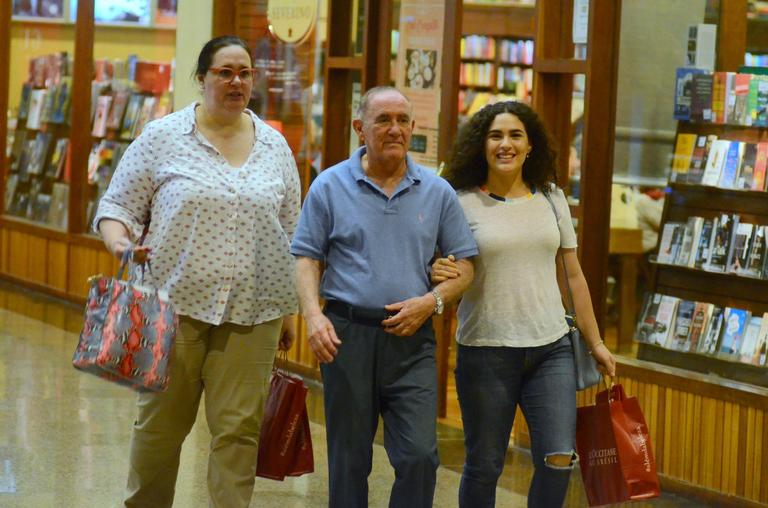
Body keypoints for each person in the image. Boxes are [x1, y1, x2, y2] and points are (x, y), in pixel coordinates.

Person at [93, 35, 301, 508]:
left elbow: (291, 229)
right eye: (225, 72)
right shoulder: (163, 137)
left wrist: (290, 310)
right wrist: (121, 242)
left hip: (255, 311)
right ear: (202, 78)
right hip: (172, 308)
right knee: (160, 430)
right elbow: (117, 206)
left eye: (245, 73)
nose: (236, 82)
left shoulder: (275, 145)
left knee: (238, 433)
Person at [291, 86, 479, 507]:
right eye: (383, 120)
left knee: (419, 457)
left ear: (413, 127)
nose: (394, 129)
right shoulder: (329, 187)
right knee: (349, 460)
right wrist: (313, 316)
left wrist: (431, 301)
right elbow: (306, 257)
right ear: (361, 128)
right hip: (346, 336)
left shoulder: (437, 192)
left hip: (412, 340)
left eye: (401, 121)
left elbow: (466, 267)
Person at [432, 101, 616, 508]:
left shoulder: (552, 198)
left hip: (551, 349)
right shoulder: (458, 202)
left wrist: (596, 342)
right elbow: (440, 267)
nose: (505, 144)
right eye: (496, 136)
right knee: (484, 465)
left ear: (530, 145)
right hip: (486, 350)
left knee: (558, 459)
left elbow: (573, 277)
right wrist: (438, 272)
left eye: (515, 135)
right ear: (481, 145)